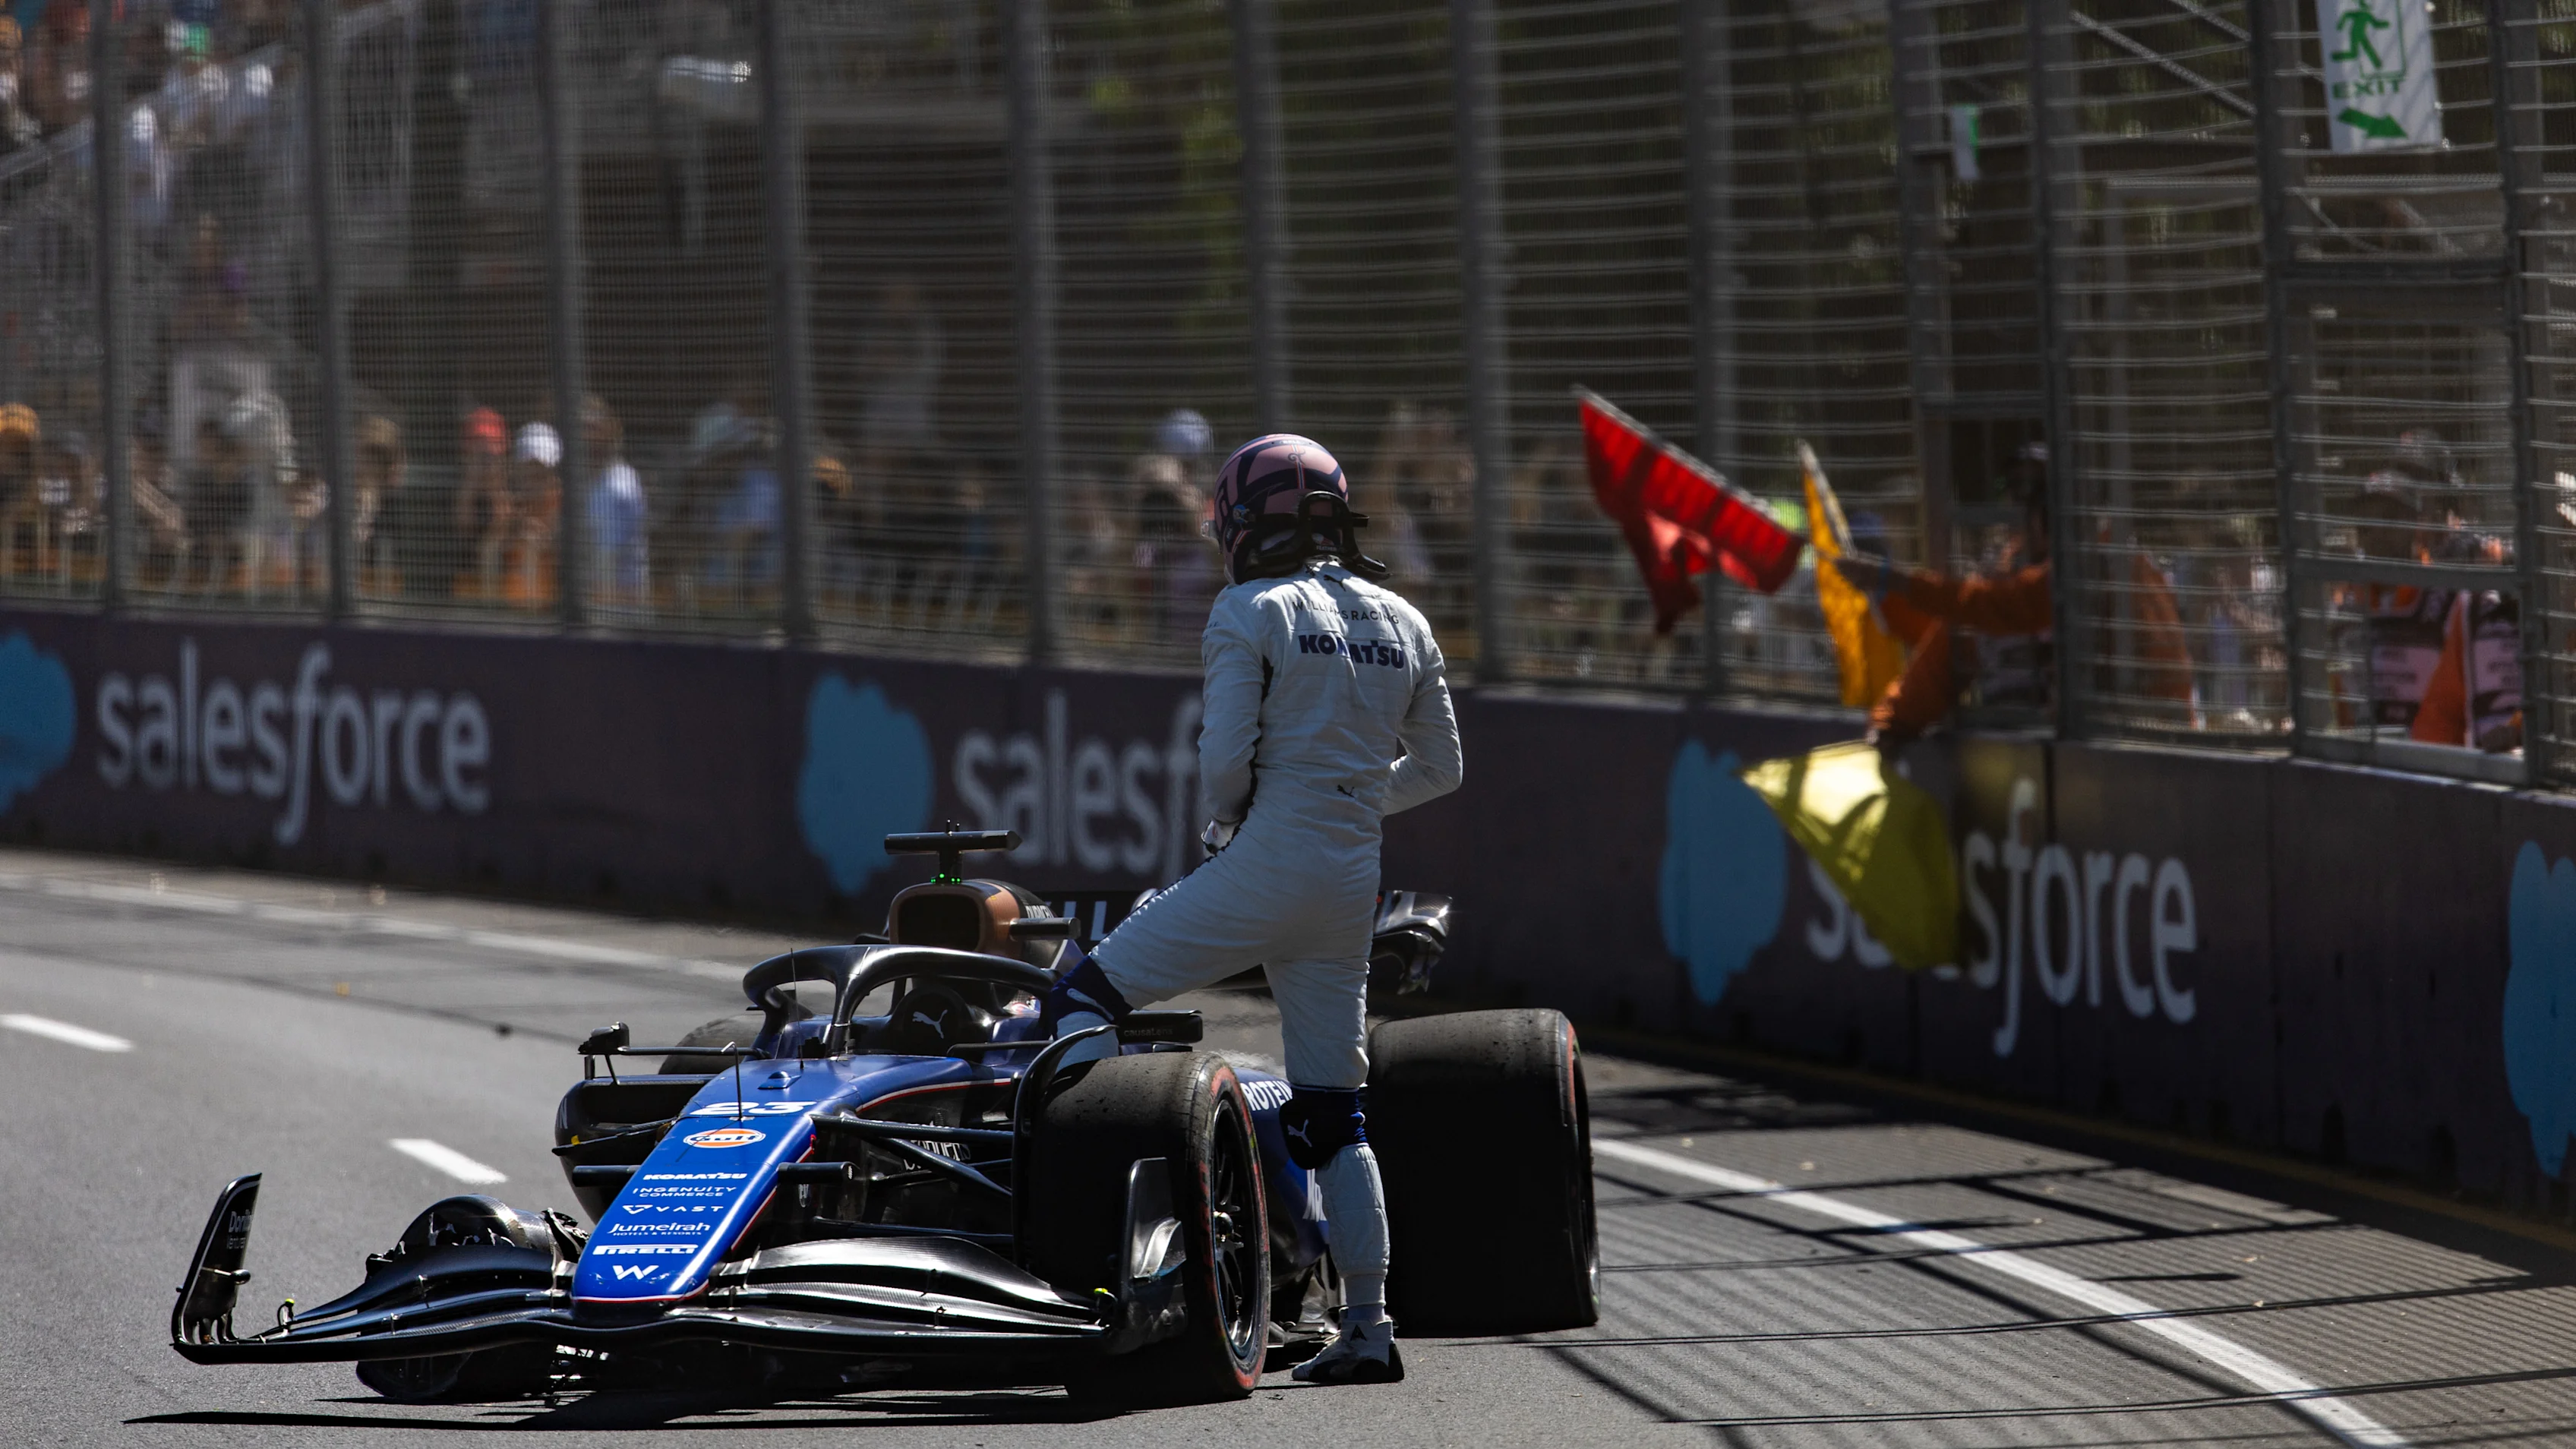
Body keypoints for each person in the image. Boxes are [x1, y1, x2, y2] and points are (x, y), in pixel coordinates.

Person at [1037, 434, 1463, 1386]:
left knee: (1080, 999)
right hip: (1351, 878)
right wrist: (1349, 793)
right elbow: (1443, 768)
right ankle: (1366, 1325)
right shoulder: (1404, 617)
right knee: (1335, 1117)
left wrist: (1249, 816)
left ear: (1245, 518)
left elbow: (1225, 765)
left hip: (1266, 858)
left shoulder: (1246, 607)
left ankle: (1091, 1254)